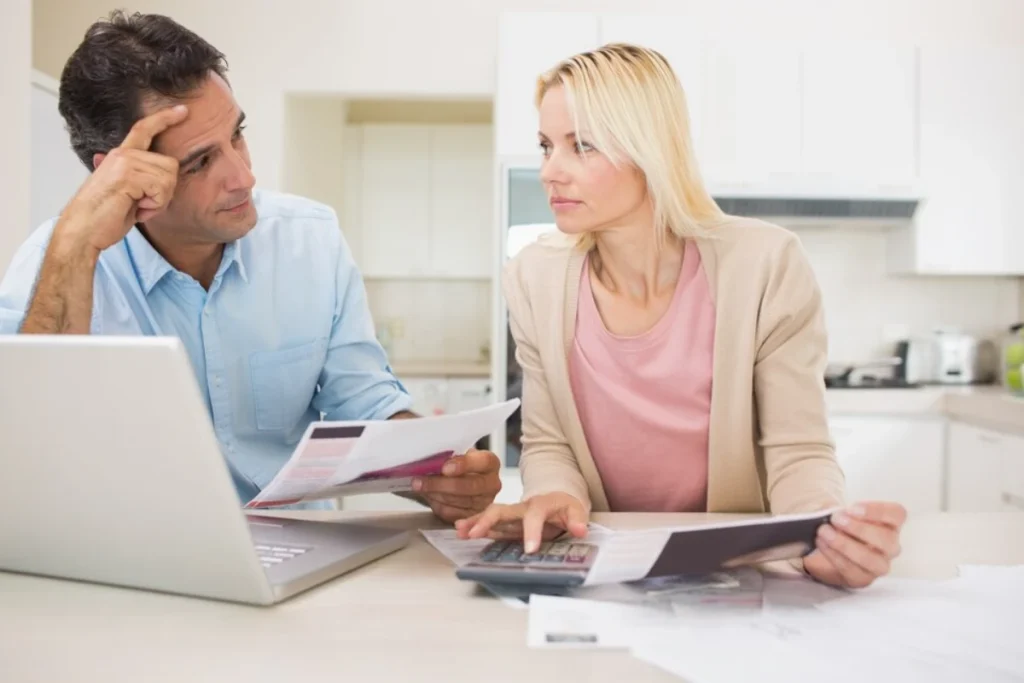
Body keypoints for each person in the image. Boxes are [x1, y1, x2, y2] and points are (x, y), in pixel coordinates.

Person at [0, 10, 500, 521]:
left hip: (300, 542)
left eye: (237, 135)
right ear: (121, 174)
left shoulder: (311, 240)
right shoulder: (55, 263)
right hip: (140, 551)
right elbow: (27, 444)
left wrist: (439, 473)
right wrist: (77, 244)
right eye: (200, 161)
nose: (244, 177)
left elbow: (363, 401)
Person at [456, 43, 906, 589]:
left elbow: (798, 451)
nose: (550, 170)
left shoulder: (766, 263)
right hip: (604, 571)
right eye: (547, 145)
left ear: (651, 149)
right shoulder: (533, 277)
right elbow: (548, 442)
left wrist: (824, 538)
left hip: (739, 575)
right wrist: (555, 498)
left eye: (583, 146)